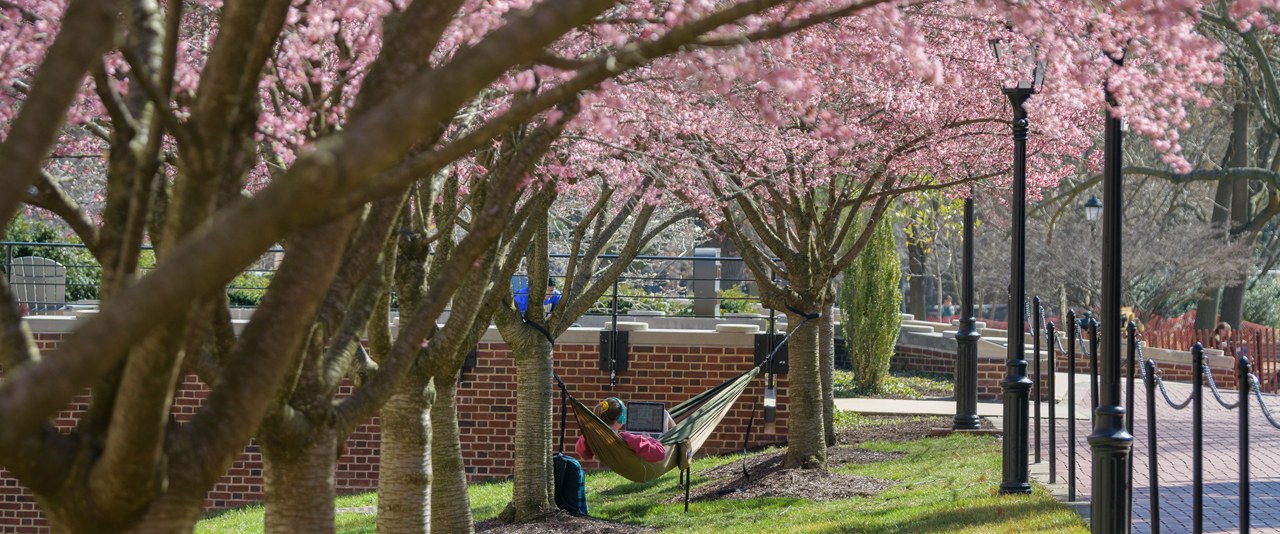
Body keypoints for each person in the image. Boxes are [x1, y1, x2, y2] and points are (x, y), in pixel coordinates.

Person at [575, 397, 675, 463]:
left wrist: (589, 433)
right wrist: (649, 439)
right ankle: (681, 437)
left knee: (665, 415)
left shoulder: (596, 437)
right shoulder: (628, 439)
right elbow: (661, 454)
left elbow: (583, 454)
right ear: (621, 419)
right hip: (653, 461)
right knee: (665, 414)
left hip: (623, 465)